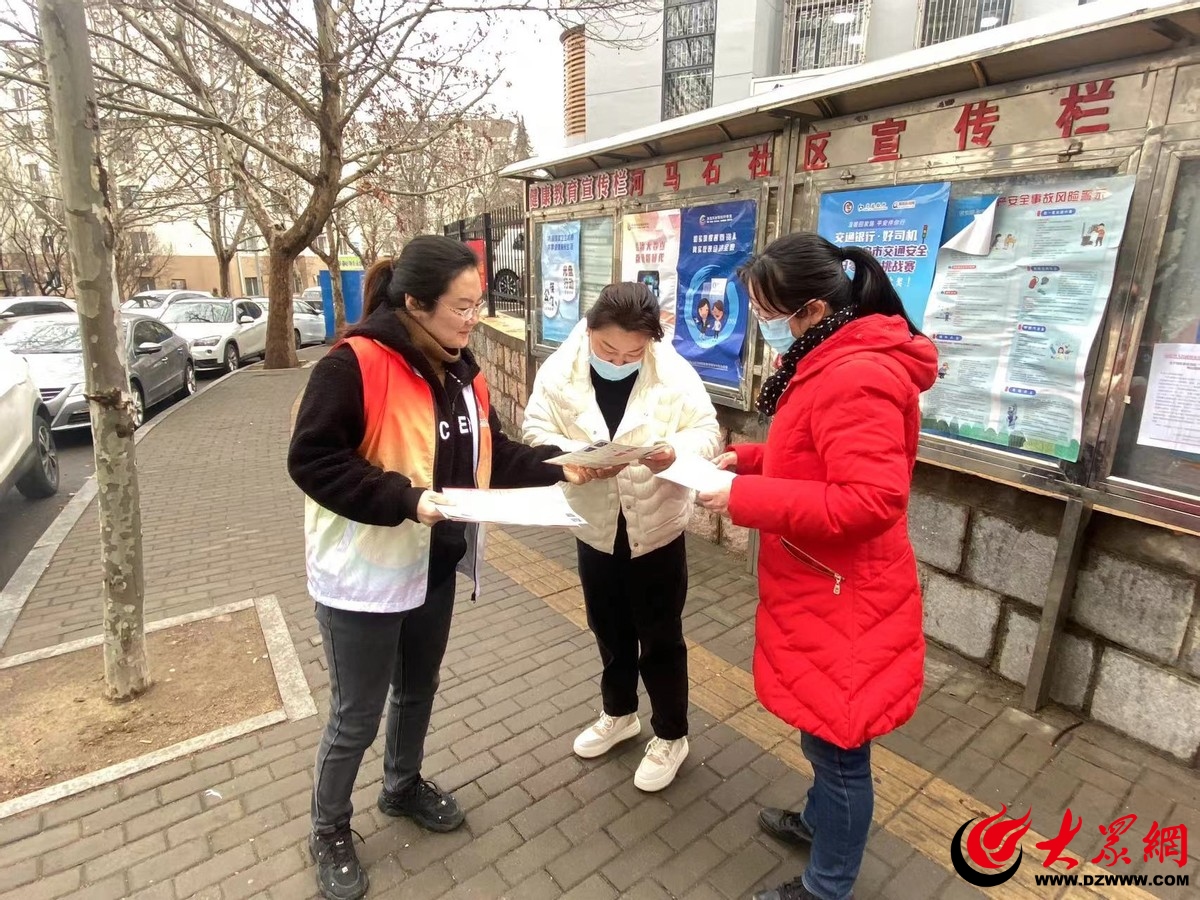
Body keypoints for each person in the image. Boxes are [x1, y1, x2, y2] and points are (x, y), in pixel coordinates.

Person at [288, 235, 597, 900]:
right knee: (355, 714)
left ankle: (401, 787)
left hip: (435, 563)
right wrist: (403, 499)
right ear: (417, 304)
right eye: (462, 307)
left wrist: (567, 462)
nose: (473, 319)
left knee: (418, 691)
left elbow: (495, 453)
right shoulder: (354, 365)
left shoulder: (462, 367)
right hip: (364, 575)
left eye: (478, 304)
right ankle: (329, 828)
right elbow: (312, 460)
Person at [697, 233, 937, 900]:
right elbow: (814, 460)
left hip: (848, 599)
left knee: (840, 753)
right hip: (823, 586)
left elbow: (870, 499)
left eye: (767, 311)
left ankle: (827, 885)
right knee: (821, 736)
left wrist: (744, 497)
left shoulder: (855, 374)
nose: (762, 324)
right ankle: (815, 822)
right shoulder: (832, 358)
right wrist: (745, 462)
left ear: (808, 310)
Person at [524, 283, 721, 792]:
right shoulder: (559, 372)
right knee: (608, 630)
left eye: (634, 352)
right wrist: (579, 455)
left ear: (651, 342)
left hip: (656, 528)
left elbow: (707, 431)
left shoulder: (672, 371)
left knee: (660, 637)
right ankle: (620, 713)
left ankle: (671, 734)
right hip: (593, 526)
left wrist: (672, 451)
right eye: (608, 349)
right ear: (589, 331)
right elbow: (534, 433)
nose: (620, 359)